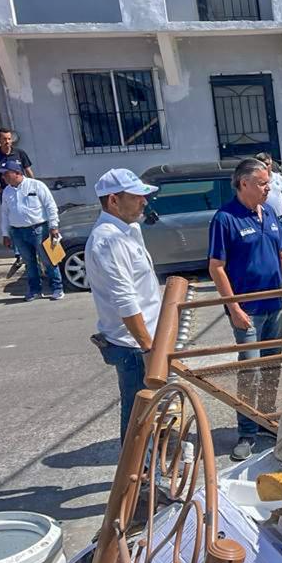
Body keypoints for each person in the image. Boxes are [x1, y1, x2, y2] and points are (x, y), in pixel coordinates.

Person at [208, 158, 282, 461]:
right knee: (250, 371)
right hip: (248, 312)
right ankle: (246, 431)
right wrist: (232, 308)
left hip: (274, 307)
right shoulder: (225, 219)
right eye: (262, 183)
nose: (267, 188)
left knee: (272, 368)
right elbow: (216, 268)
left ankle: (266, 420)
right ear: (243, 183)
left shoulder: (269, 212)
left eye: (268, 183)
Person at [85, 169, 161, 442]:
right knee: (138, 419)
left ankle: (147, 475)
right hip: (134, 347)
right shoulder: (108, 240)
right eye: (137, 196)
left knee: (149, 415)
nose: (144, 202)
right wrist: (149, 348)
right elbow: (125, 300)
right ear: (114, 201)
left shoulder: (126, 231)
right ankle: (137, 480)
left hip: (142, 341)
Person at [0, 160, 63, 301]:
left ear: (18, 173)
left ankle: (57, 288)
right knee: (29, 262)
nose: (3, 177)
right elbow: (4, 213)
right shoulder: (7, 192)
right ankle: (35, 290)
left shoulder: (36, 185)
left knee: (48, 259)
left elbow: (50, 206)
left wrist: (54, 226)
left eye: (6, 174)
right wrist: (5, 233)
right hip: (18, 232)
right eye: (3, 175)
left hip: (39, 229)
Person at [0, 128, 35, 278]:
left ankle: (31, 251)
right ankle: (18, 254)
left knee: (29, 219)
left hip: (24, 192)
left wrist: (34, 185)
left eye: (9, 138)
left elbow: (28, 171)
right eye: (4, 139)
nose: (7, 142)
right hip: (7, 194)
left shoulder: (19, 153)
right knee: (11, 223)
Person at [255, 153, 282, 280]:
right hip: (265, 220)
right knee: (269, 247)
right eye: (262, 164)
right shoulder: (257, 181)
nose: (265, 166)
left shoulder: (278, 178)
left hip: (280, 218)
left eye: (267, 164)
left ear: (271, 163)